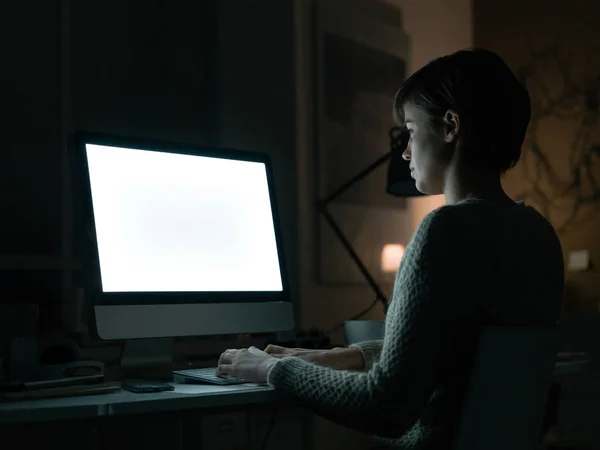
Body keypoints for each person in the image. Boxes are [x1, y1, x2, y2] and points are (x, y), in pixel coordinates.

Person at [216, 48, 565, 449]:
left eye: (412, 131)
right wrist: (344, 356)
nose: (404, 151)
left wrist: (272, 370)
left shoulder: (445, 231)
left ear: (450, 126)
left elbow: (385, 406)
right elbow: (462, 350)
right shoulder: (539, 236)